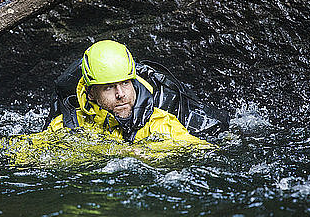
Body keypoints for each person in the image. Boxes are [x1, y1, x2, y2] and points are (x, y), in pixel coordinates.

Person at [47, 40, 210, 146]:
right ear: (91, 93)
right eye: (109, 87)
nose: (121, 94)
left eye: (125, 83)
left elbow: (203, 152)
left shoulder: (161, 124)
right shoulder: (68, 125)